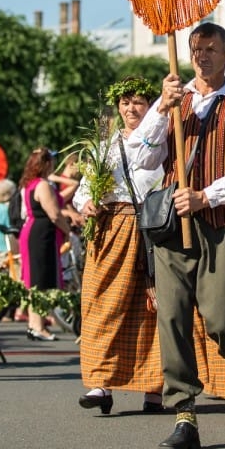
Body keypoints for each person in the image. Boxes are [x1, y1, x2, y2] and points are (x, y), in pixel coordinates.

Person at [127, 22, 225, 449]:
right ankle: (184, 414)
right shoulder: (175, 99)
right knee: (171, 317)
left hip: (221, 222)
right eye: (195, 50)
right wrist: (159, 110)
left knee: (224, 319)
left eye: (210, 49)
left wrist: (207, 196)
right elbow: (139, 159)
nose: (202, 56)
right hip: (173, 226)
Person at [74, 77, 165, 415]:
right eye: (125, 103)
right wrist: (86, 203)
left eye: (138, 102)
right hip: (110, 227)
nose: (130, 108)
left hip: (150, 226)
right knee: (101, 303)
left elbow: (164, 173)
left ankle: (153, 388)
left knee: (151, 307)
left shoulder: (163, 138)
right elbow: (84, 188)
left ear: (150, 106)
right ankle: (101, 384)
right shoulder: (106, 144)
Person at [18, 148, 73, 341]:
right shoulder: (42, 185)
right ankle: (38, 325)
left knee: (35, 280)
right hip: (41, 235)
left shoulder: (29, 184)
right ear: (46, 164)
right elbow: (55, 214)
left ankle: (35, 324)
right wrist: (67, 230)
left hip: (34, 232)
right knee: (39, 281)